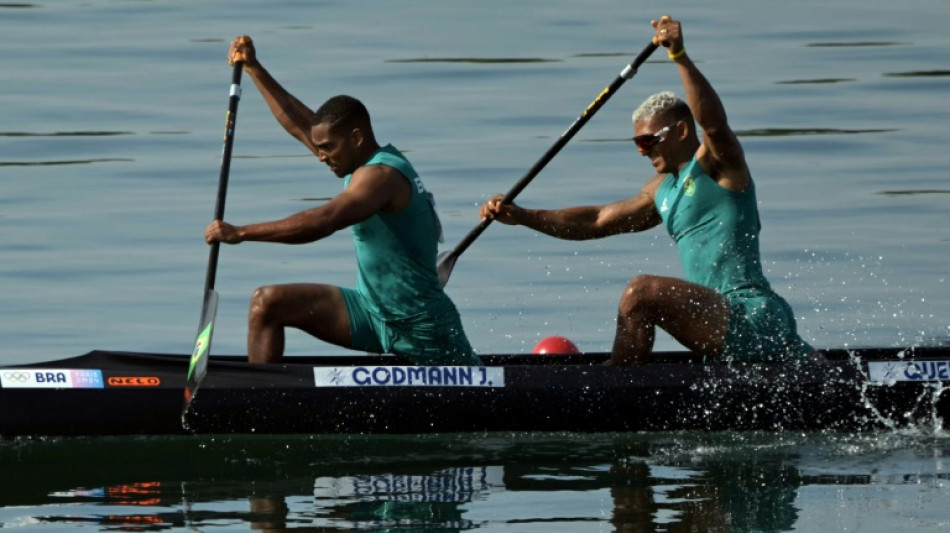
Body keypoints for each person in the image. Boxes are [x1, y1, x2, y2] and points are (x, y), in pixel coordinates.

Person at [479, 16, 813, 365]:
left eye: (649, 141)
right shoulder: (661, 191)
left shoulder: (719, 164)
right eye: (638, 144)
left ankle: (612, 389)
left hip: (753, 316)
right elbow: (596, 221)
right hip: (719, 319)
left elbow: (713, 122)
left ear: (682, 132)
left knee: (642, 292)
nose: (644, 151)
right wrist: (523, 216)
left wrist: (680, 56)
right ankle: (626, 381)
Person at [205, 36, 479, 366]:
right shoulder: (351, 159)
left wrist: (241, 233)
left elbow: (324, 221)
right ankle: (258, 403)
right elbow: (298, 124)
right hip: (370, 311)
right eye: (319, 148)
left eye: (327, 149)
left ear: (357, 138)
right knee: (267, 303)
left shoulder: (382, 177)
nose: (321, 157)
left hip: (423, 328)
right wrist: (253, 69)